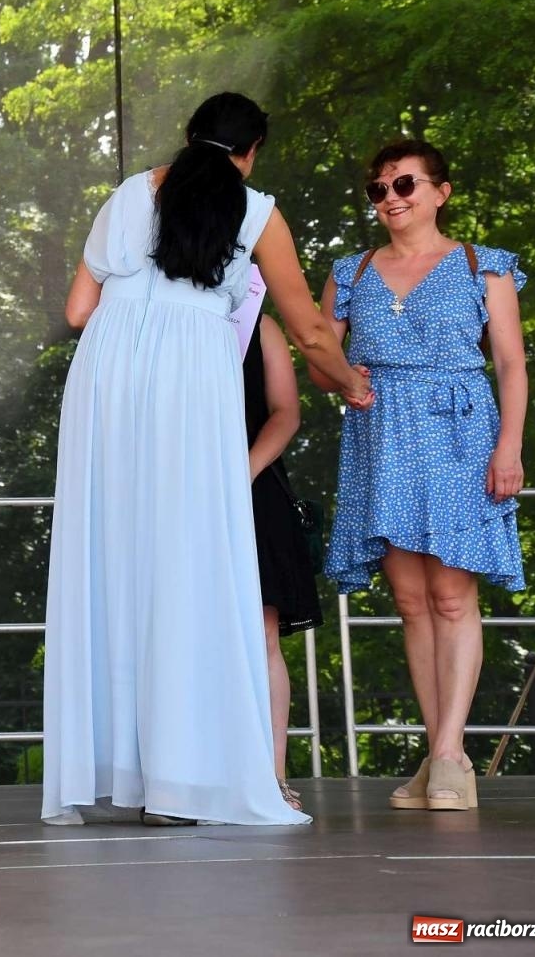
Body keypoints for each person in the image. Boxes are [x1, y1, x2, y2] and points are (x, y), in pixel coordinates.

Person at [44, 92, 371, 826]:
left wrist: (136, 318)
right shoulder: (258, 211)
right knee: (187, 561)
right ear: (251, 150)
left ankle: (113, 772)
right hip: (189, 373)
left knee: (115, 557)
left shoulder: (130, 193)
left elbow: (75, 312)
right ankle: (181, 779)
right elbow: (309, 326)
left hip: (107, 373)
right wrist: (351, 384)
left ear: (190, 139)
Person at [315, 140, 525, 812]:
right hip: (384, 439)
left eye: (404, 183)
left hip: (462, 435)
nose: (391, 198)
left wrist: (510, 448)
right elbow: (321, 362)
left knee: (453, 597)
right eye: (378, 190)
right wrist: (347, 381)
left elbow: (512, 366)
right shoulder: (349, 271)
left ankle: (448, 755)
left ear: (442, 191)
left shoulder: (480, 266)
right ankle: (442, 758)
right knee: (409, 601)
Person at [242, 312, 323, 811]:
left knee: (262, 633)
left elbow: (286, 412)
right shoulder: (157, 318)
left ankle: (273, 775)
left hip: (255, 487)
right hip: (177, 487)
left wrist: (241, 470)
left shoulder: (260, 323)